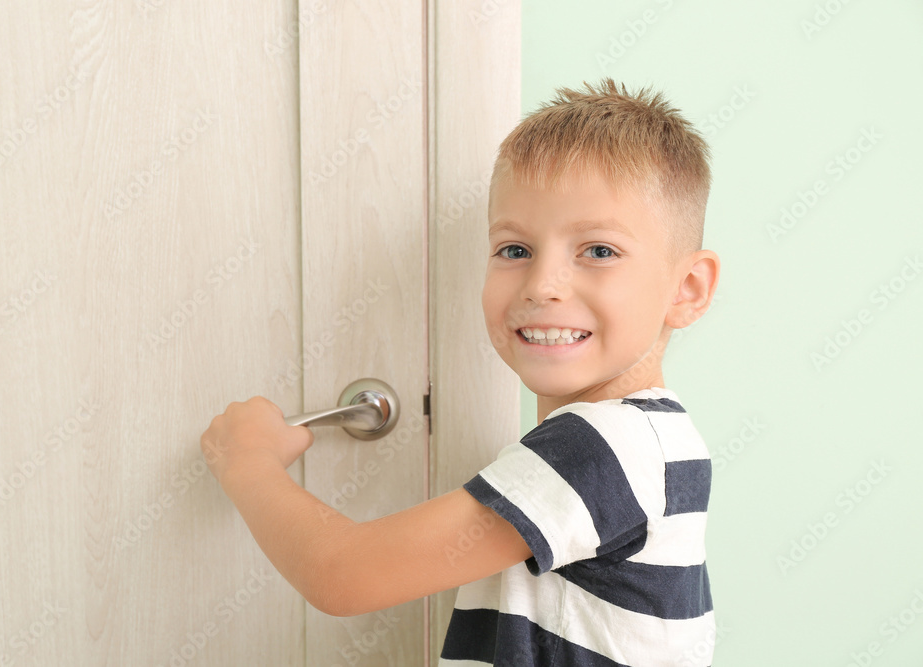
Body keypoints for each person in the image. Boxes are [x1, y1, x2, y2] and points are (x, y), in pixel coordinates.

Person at [201, 77, 721, 666]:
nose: (542, 286)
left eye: (598, 251)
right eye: (514, 250)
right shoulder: (656, 439)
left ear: (687, 288)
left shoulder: (603, 448)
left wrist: (248, 462)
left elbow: (340, 574)